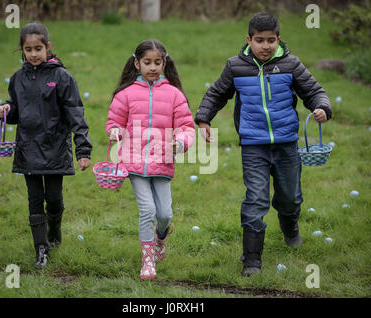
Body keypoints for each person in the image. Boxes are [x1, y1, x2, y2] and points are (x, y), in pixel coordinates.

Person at [195, 12, 332, 276]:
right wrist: (203, 119)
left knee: (290, 198)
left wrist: (322, 107)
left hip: (287, 145)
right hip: (253, 146)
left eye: (271, 40)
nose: (265, 46)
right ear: (249, 40)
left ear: (279, 39)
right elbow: (216, 93)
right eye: (259, 40)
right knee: (256, 199)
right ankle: (252, 260)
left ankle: (290, 227)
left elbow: (314, 90)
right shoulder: (236, 66)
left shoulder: (291, 64)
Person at [0, 22, 92, 268]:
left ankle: (54, 231)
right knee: (34, 199)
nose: (33, 54)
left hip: (55, 149)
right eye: (28, 49)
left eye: (38, 48)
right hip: (28, 149)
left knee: (54, 198)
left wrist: (82, 149)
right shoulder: (18, 78)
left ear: (47, 47)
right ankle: (41, 250)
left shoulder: (62, 77)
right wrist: (7, 110)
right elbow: (17, 110)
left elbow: (75, 113)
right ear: (22, 50)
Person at [106, 39, 195, 280]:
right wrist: (115, 131)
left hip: (163, 160)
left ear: (164, 63)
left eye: (157, 62)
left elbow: (186, 126)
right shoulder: (126, 94)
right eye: (147, 62)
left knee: (164, 213)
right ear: (137, 64)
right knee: (147, 209)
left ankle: (161, 237)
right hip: (134, 162)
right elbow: (114, 121)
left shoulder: (175, 95)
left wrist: (181, 142)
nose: (153, 67)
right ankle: (148, 261)